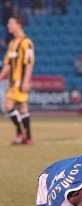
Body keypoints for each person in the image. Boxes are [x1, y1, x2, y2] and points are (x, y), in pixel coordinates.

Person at [0, 15, 34, 144]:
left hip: (20, 82)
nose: (8, 26)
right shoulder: (12, 44)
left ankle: (21, 133)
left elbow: (29, 63)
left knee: (8, 105)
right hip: (13, 81)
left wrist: (26, 81)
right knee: (22, 107)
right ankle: (28, 137)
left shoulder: (27, 42)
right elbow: (8, 65)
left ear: (18, 25)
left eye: (10, 23)